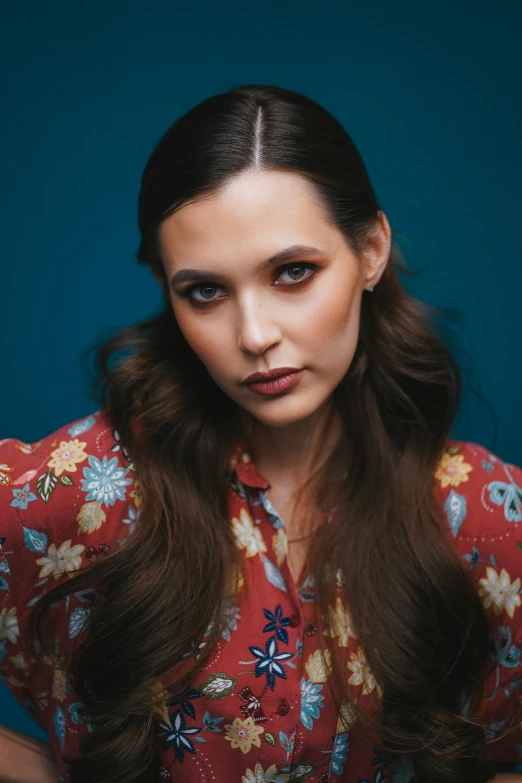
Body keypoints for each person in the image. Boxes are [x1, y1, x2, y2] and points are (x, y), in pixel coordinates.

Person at [0, 84, 521, 783]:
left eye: (293, 272)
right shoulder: (89, 490)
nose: (254, 335)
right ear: (167, 290)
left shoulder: (482, 514)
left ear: (371, 250)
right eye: (205, 291)